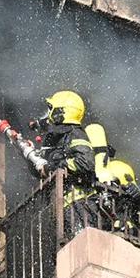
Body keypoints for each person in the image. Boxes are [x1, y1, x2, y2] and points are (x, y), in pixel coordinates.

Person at [29, 90, 98, 236]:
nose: (48, 113)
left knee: (81, 243)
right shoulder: (56, 139)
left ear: (60, 112)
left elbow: (85, 162)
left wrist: (54, 167)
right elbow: (43, 171)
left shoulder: (75, 133)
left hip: (81, 207)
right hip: (62, 208)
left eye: (51, 109)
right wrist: (30, 158)